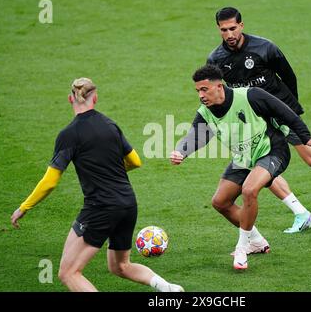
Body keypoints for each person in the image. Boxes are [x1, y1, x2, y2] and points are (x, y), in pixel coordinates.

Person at [11, 78, 183, 292]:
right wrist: (112, 173)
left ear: (69, 99)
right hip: (127, 204)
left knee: (68, 272)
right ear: (96, 98)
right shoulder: (110, 125)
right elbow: (135, 161)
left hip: (100, 208)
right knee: (120, 266)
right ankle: (167, 288)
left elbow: (50, 182)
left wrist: (24, 207)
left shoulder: (69, 134)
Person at [206, 7, 311, 233]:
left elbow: (289, 77)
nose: (229, 34)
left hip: (281, 111)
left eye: (233, 28)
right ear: (219, 30)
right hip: (254, 120)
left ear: (241, 25)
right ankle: (301, 213)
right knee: (261, 168)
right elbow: (223, 93)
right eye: (224, 30)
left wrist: (290, 111)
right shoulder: (216, 59)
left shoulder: (265, 48)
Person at [170, 65, 311, 270]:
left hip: (272, 150)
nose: (201, 95)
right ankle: (257, 241)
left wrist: (306, 137)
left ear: (219, 86)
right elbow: (196, 136)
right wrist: (181, 151)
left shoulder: (251, 96)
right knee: (220, 202)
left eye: (205, 89)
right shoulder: (206, 112)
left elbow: (285, 113)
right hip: (244, 158)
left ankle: (242, 247)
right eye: (198, 91)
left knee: (250, 190)